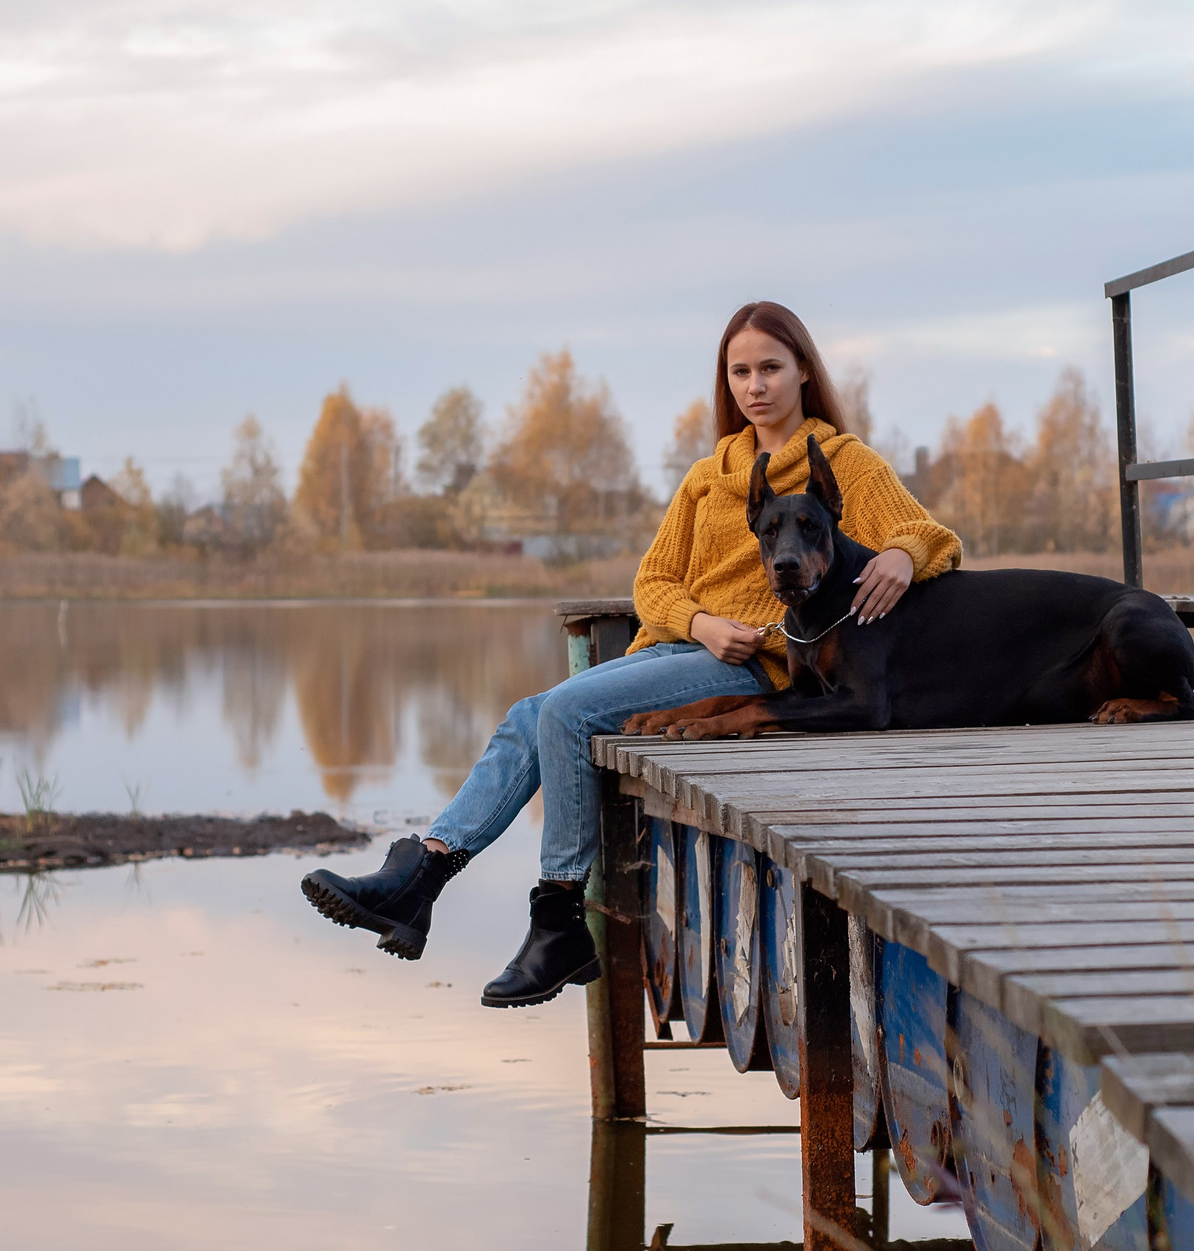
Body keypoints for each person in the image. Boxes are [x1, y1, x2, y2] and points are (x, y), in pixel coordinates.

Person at [300, 302, 963, 1006]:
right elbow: (653, 582)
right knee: (530, 713)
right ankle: (422, 875)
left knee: (566, 711)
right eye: (739, 372)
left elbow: (933, 537)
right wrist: (699, 621)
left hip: (757, 668)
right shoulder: (709, 475)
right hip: (685, 647)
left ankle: (557, 917)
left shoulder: (847, 463)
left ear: (803, 370)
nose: (755, 385)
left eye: (770, 367)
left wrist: (899, 554)